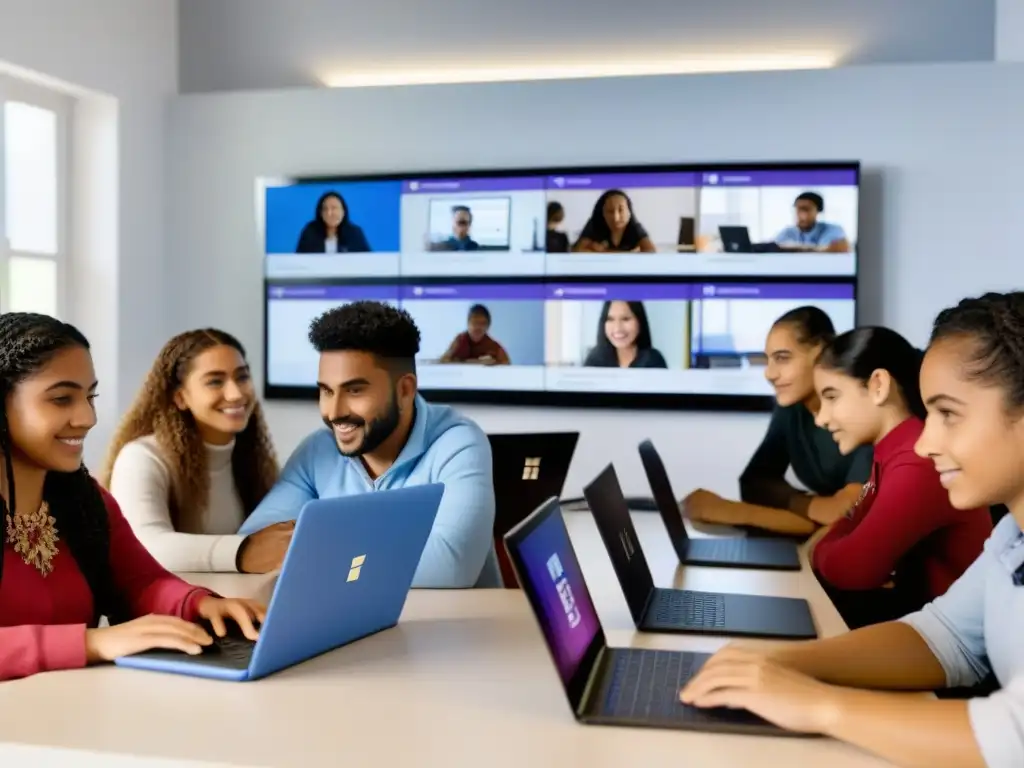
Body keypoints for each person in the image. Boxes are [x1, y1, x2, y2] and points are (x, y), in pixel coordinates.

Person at [679, 291, 1024, 768]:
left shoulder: (919, 472)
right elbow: (947, 637)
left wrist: (816, 705)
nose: (925, 443)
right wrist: (779, 665)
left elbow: (1014, 738)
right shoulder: (1011, 539)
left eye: (948, 414)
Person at [0, 313, 263, 682]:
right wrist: (91, 643)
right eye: (61, 399)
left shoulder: (85, 501)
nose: (87, 417)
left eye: (89, 396)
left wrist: (199, 604)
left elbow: (142, 582)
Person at [238, 301, 499, 588]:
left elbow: (450, 566)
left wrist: (313, 542)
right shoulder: (317, 451)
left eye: (354, 390)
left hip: (451, 630)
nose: (334, 412)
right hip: (350, 625)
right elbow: (254, 543)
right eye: (326, 391)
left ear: (405, 390)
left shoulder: (458, 443)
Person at [810, 327, 991, 628]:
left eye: (831, 397)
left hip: (956, 651)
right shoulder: (888, 455)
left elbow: (852, 568)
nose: (822, 417)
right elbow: (849, 527)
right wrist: (838, 548)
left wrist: (824, 551)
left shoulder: (915, 462)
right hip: (924, 628)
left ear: (878, 385)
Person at [100, 329, 286, 574]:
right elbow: (143, 545)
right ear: (180, 398)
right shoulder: (142, 457)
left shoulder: (253, 458)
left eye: (242, 377)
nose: (236, 393)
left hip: (240, 603)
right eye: (215, 381)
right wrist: (244, 551)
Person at [684, 306, 872, 536]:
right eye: (768, 360)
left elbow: (846, 514)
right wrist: (810, 506)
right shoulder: (792, 408)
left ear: (822, 352)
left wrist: (734, 512)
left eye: (783, 358)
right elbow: (755, 482)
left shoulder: (864, 412)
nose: (769, 373)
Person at [583, 300, 667, 368]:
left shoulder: (654, 360)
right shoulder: (594, 360)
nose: (617, 328)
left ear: (639, 321)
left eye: (625, 319)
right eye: (610, 319)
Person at [572, 190, 656, 253]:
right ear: (602, 214)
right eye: (610, 211)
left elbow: (651, 252)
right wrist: (630, 254)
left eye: (621, 210)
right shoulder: (594, 223)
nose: (616, 218)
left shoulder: (635, 227)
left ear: (629, 212)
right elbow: (579, 252)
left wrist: (602, 252)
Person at [295, 191, 371, 253]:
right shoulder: (310, 232)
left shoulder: (354, 233)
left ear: (343, 211)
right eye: (325, 209)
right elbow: (299, 260)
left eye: (334, 208)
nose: (329, 213)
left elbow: (367, 261)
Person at [774, 191, 850, 252]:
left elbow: (839, 247)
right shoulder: (787, 232)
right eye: (798, 209)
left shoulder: (832, 229)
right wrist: (817, 249)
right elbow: (772, 248)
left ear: (818, 211)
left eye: (806, 209)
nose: (801, 215)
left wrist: (793, 248)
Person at [440, 304, 511, 365]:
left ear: (488, 326)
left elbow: (507, 364)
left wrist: (494, 363)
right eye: (474, 322)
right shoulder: (460, 340)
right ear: (468, 324)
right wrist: (476, 362)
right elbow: (443, 360)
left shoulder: (493, 346)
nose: (477, 327)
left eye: (482, 324)